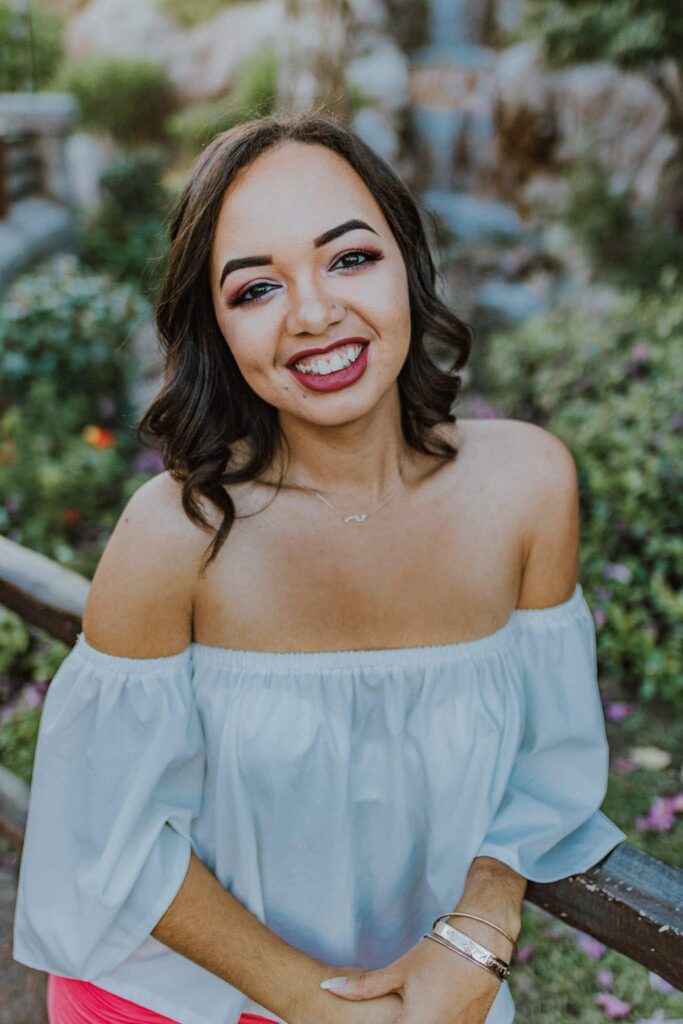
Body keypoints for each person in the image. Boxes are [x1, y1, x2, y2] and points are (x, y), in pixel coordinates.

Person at [13, 111, 626, 1024]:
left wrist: (479, 920)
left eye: (348, 259)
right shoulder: (175, 533)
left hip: (431, 997)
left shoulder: (528, 485)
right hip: (172, 1004)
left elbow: (548, 760)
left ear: (407, 267)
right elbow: (111, 831)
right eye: (255, 288)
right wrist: (328, 1009)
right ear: (215, 327)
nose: (312, 313)